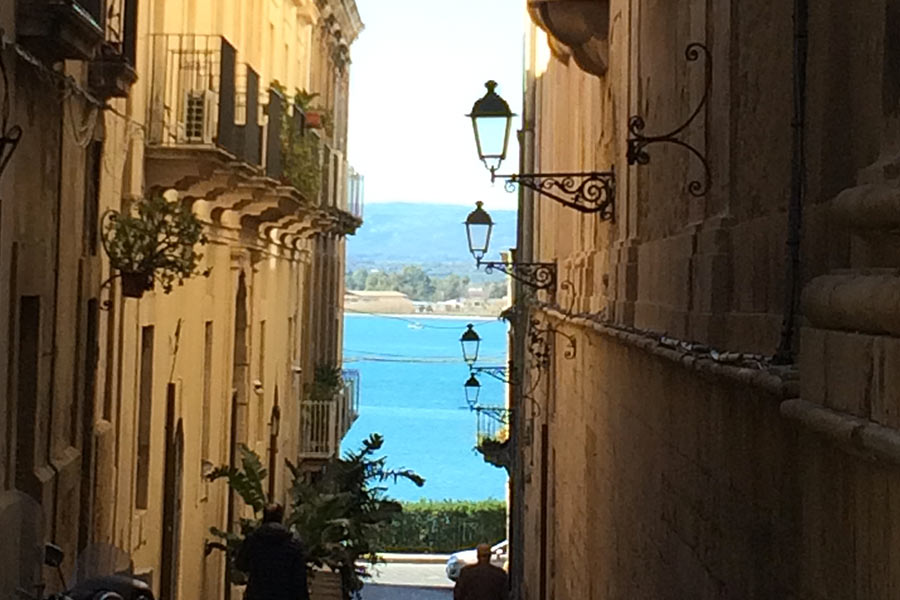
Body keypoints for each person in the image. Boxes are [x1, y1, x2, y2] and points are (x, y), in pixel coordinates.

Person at [235, 503, 309, 600]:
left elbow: (241, 564)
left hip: (257, 594)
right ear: (280, 518)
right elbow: (299, 579)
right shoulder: (293, 544)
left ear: (264, 518)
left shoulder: (253, 540)